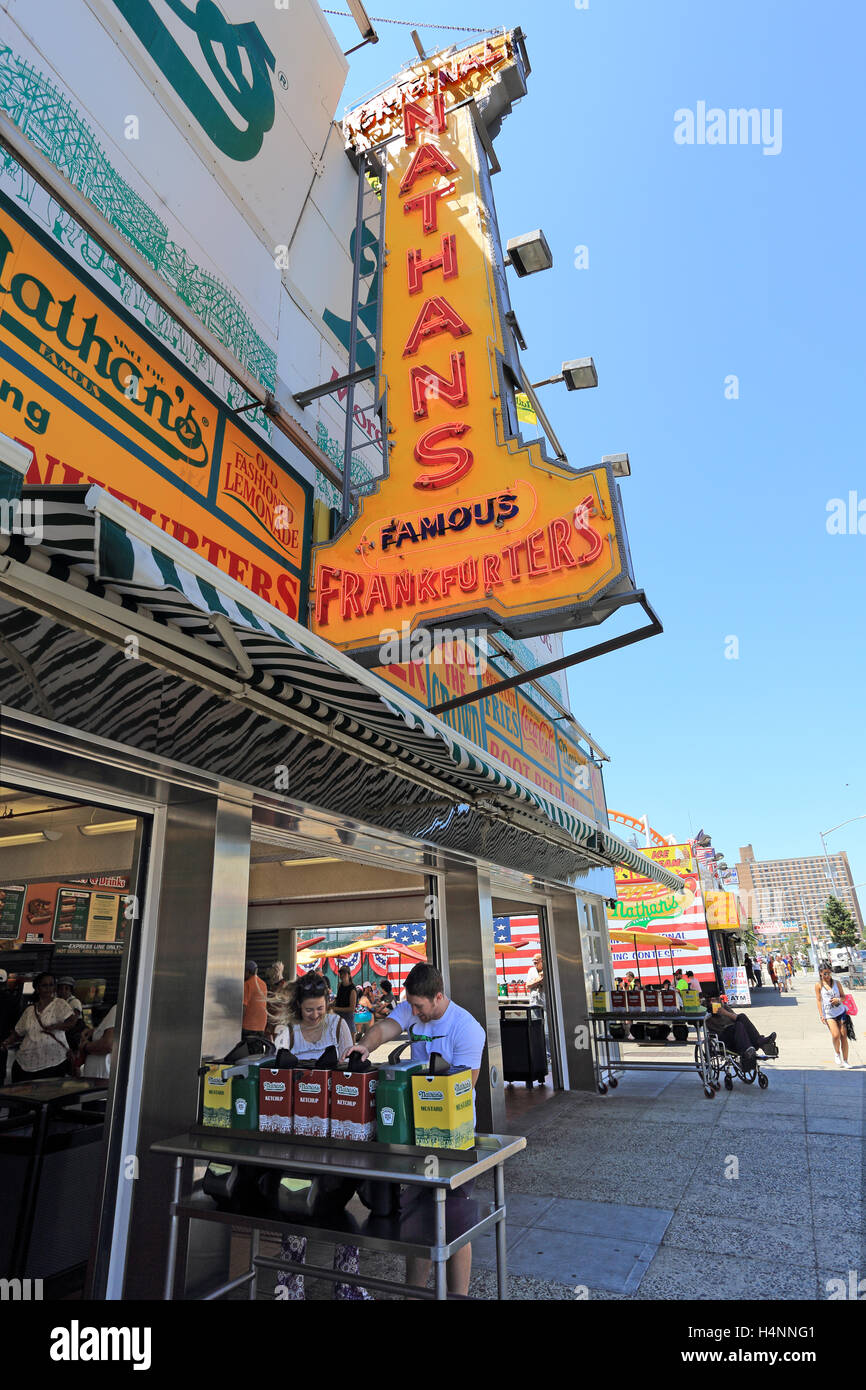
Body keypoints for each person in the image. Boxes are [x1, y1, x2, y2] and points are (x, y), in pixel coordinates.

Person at [345, 962, 486, 1297]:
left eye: (421, 1007)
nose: (416, 1014)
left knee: (454, 1222)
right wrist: (366, 1045)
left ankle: (458, 1294)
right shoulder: (411, 1008)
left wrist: (424, 1090)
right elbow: (386, 1027)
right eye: (413, 1007)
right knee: (415, 1219)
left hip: (453, 1135)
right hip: (416, 1132)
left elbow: (465, 1085)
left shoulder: (467, 1028)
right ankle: (415, 1293)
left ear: (438, 997)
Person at [271, 973, 370, 1300]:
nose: (315, 1014)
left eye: (320, 1008)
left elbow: (350, 1069)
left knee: (341, 1205)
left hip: (335, 1129)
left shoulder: (337, 1026)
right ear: (298, 1006)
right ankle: (289, 1287)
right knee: (295, 1207)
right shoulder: (287, 1033)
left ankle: (347, 1284)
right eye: (309, 1010)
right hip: (296, 1133)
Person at [0, 971, 79, 1080]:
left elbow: (72, 1021)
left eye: (51, 985)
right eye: (44, 985)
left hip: (53, 1063)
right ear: (37, 989)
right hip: (25, 1064)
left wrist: (56, 1026)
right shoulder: (29, 1010)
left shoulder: (59, 1004)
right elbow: (18, 1032)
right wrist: (6, 1042)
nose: (48, 988)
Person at [706, 992, 778, 1065]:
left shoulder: (724, 1007)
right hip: (723, 1038)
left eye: (716, 999)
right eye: (711, 1000)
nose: (714, 1002)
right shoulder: (707, 1012)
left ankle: (760, 1042)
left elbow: (737, 1018)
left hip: (737, 1035)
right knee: (738, 1025)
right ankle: (756, 1045)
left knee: (741, 1017)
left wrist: (725, 1013)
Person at [815, 960, 854, 1068]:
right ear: (820, 973)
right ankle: (837, 1053)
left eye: (829, 973)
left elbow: (844, 996)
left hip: (841, 1012)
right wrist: (821, 1015)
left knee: (843, 1036)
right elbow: (818, 1000)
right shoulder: (818, 985)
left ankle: (845, 1061)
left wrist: (838, 999)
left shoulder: (837, 983)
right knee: (836, 1035)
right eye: (825, 973)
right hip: (829, 1014)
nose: (827, 976)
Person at [81, 1003, 117, 1078]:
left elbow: (107, 1045)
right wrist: (97, 1031)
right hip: (104, 1077)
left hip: (101, 1077)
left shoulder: (118, 1008)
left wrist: (85, 1046)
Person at [242, 961, 268, 1043]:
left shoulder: (247, 984)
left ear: (248, 972)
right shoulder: (263, 984)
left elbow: (243, 1006)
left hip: (249, 1026)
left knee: (246, 1053)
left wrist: (237, 1024)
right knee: (257, 1053)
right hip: (261, 1026)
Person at [333, 966, 357, 1035]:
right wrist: (332, 1004)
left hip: (348, 1017)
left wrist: (336, 1008)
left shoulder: (352, 990)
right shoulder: (339, 985)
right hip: (338, 1016)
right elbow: (338, 998)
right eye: (341, 974)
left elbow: (352, 1009)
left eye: (344, 973)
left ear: (349, 975)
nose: (342, 975)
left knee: (350, 1041)